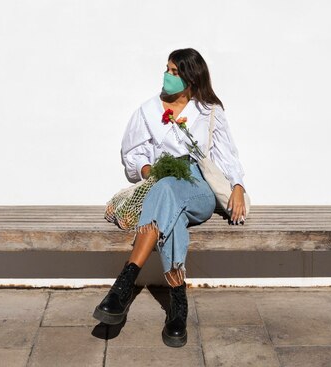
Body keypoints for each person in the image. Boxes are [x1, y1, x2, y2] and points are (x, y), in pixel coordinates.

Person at [93, 48, 247, 348]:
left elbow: (226, 156)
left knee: (166, 193)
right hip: (162, 183)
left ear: (191, 78)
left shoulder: (209, 111)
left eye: (175, 72)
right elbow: (132, 155)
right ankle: (178, 306)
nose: (167, 76)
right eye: (167, 69)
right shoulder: (148, 111)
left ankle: (124, 285)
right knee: (169, 211)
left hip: (197, 188)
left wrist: (238, 186)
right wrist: (150, 168)